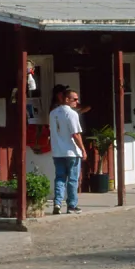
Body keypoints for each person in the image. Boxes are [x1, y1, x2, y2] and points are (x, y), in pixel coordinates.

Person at [49, 87, 85, 215]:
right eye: (74, 99)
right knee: (72, 179)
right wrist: (83, 150)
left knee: (59, 178)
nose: (76, 101)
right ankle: (71, 205)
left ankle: (57, 203)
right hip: (71, 152)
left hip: (58, 151)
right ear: (66, 99)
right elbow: (75, 134)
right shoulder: (72, 114)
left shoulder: (53, 113)